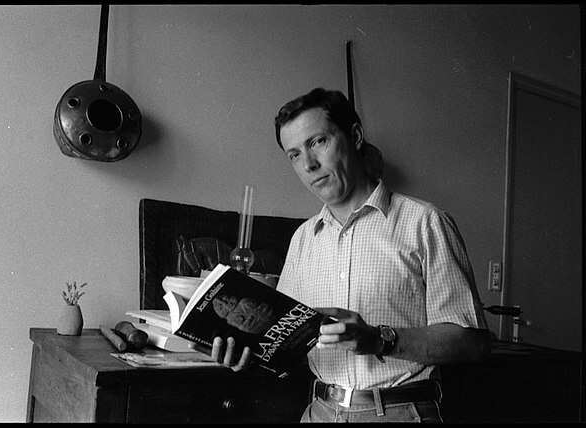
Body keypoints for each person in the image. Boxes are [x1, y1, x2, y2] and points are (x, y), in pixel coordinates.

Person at [203, 87, 491, 423]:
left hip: (400, 413)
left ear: (354, 136)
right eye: (294, 154)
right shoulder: (302, 239)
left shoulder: (425, 223)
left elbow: (473, 343)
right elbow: (287, 348)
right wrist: (249, 355)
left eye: (318, 142)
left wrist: (379, 339)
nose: (309, 164)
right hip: (319, 412)